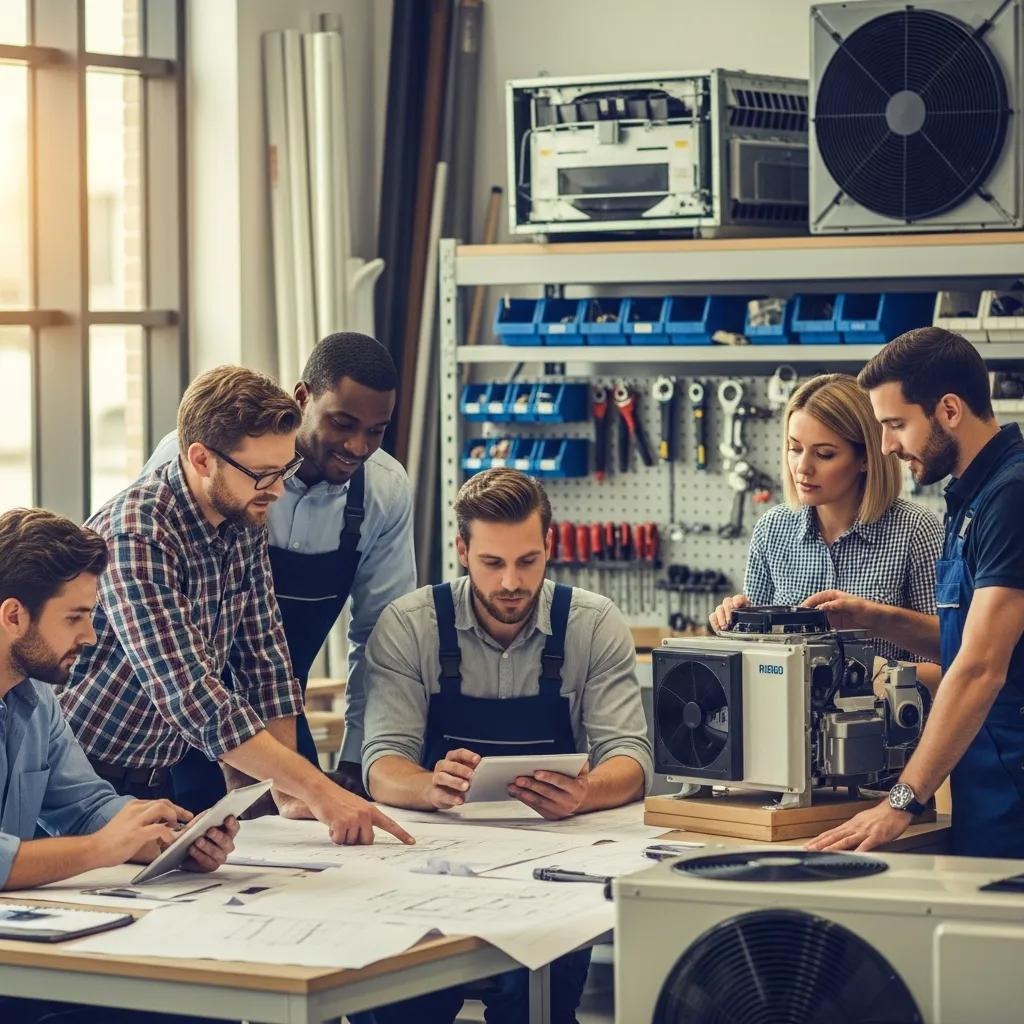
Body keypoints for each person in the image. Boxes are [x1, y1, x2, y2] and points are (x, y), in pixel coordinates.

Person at [58, 365, 411, 847]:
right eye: (263, 474)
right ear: (202, 460)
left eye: (284, 470)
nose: (279, 490)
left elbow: (265, 663)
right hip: (73, 780)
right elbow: (189, 693)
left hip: (152, 778)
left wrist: (287, 791)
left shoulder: (243, 517)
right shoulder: (139, 533)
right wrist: (319, 788)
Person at [362, 468, 652, 1024]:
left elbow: (631, 760)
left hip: (552, 871)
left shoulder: (593, 624)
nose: (511, 583)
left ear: (550, 545)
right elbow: (382, 764)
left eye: (527, 561)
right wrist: (428, 784)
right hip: (430, 871)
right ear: (463, 552)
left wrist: (585, 793)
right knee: (399, 1008)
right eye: (492, 563)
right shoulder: (409, 625)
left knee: (540, 1006)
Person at [141, 333, 415, 809]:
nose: (357, 445)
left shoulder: (384, 492)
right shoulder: (193, 465)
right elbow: (160, 638)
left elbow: (377, 640)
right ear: (302, 398)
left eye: (376, 430)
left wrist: (355, 760)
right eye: (343, 423)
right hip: (169, 717)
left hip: (276, 714)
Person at [0, 507, 236, 1024]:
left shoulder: (35, 697)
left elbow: (86, 805)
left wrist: (166, 840)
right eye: (75, 617)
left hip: (20, 952)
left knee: (196, 1005)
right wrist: (100, 849)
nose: (89, 636)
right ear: (13, 615)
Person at [806, 328, 1024, 858]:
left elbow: (979, 667)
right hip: (988, 789)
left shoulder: (1012, 496)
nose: (886, 446)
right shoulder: (973, 494)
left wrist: (901, 799)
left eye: (896, 424)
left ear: (949, 410)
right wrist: (875, 619)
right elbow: (964, 639)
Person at [709, 372, 943, 689]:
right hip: (785, 731)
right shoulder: (772, 529)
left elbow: (949, 662)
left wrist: (866, 674)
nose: (802, 467)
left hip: (884, 734)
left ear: (865, 457)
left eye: (824, 454)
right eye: (794, 448)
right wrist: (733, 623)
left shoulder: (916, 529)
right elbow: (754, 660)